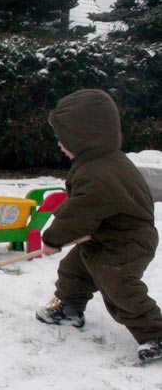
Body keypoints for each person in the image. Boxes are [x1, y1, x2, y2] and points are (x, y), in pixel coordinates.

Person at [35, 89, 162, 362]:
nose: (60, 144)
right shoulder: (101, 161)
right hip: (104, 234)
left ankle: (156, 332)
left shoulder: (99, 173)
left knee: (117, 283)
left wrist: (53, 239)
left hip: (128, 242)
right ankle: (69, 307)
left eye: (64, 138)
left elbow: (79, 212)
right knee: (74, 270)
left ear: (84, 138)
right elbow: (85, 208)